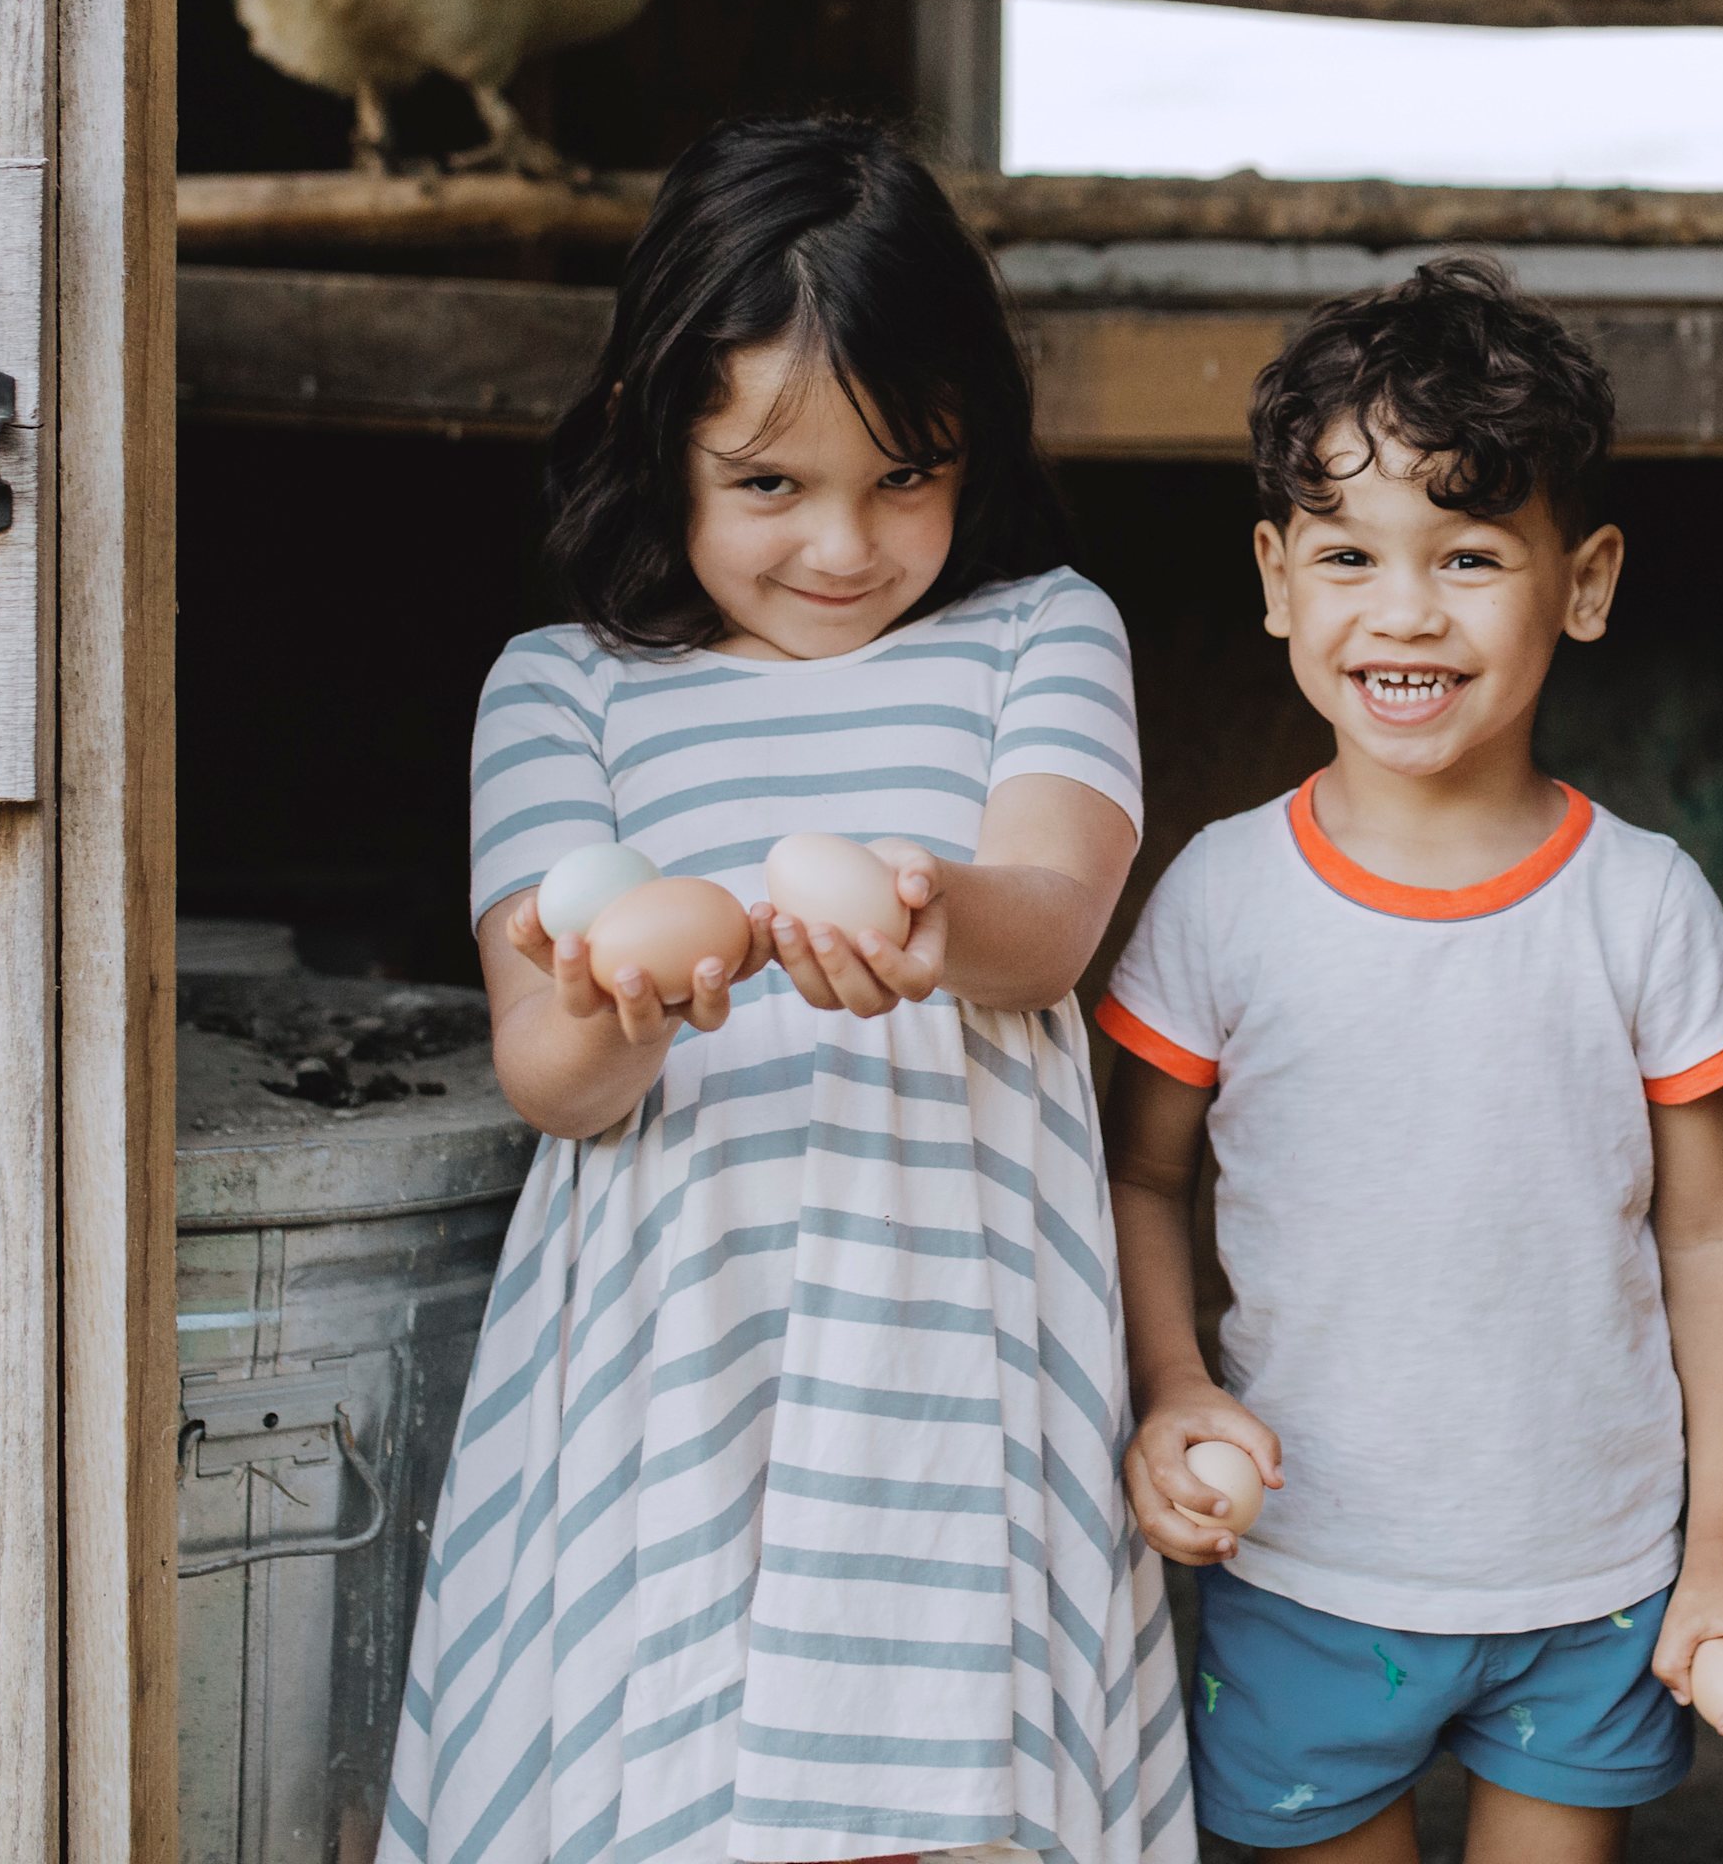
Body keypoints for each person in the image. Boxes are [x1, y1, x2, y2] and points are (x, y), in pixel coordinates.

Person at [380, 117, 1193, 1864]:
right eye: (770, 483)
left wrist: (918, 910)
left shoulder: (1043, 631)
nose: (844, 544)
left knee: (935, 1795)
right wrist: (630, 991)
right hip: (676, 1340)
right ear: (649, 438)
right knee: (677, 1790)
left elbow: (1049, 921)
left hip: (951, 1330)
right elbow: (551, 1075)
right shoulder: (561, 692)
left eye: (908, 474)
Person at [1096, 259, 1723, 1861]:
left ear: (1586, 578)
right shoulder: (1222, 895)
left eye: (1470, 554)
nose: (1403, 610)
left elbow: (1715, 1229)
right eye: (1348, 554)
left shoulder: (1643, 903)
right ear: (1278, 578)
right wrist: (1172, 1387)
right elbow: (1141, 1175)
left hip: (1596, 1579)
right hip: (1306, 1567)